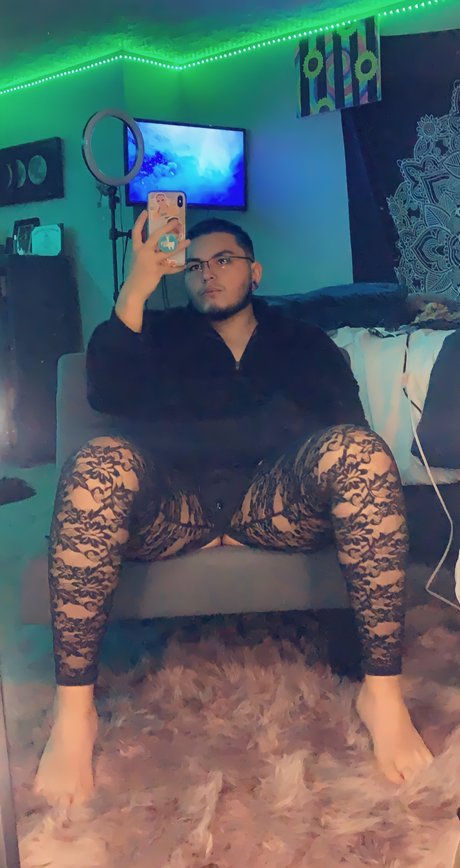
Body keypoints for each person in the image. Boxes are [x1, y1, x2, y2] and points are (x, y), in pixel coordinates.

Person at [34, 212, 433, 806]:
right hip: (177, 503)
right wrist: (137, 286)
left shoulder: (303, 340)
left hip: (270, 503)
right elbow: (105, 390)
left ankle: (382, 693)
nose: (208, 274)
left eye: (224, 260)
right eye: (195, 265)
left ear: (255, 271)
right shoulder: (157, 333)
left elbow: (343, 424)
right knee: (96, 464)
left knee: (361, 452)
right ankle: (74, 714)